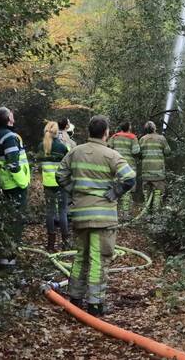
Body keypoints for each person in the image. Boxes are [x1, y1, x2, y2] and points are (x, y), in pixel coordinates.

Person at [56, 115, 135, 316]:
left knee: (81, 257)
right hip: (103, 218)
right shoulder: (111, 155)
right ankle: (95, 304)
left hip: (81, 215)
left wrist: (75, 191)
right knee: (98, 260)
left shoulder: (75, 152)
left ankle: (74, 299)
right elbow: (130, 177)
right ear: (106, 133)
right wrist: (115, 192)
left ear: (89, 131)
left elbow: (60, 176)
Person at [0, 107, 30, 267]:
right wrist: (22, 181)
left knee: (7, 219)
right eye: (12, 115)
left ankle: (4, 255)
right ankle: (9, 258)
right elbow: (13, 164)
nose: (14, 117)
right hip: (15, 185)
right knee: (16, 221)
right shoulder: (10, 137)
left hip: (4, 183)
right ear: (8, 119)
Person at [39, 120, 71, 252]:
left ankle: (50, 244)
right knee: (63, 211)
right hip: (61, 183)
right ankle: (65, 242)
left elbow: (39, 163)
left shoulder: (41, 146)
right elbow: (69, 165)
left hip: (48, 183)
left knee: (50, 212)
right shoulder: (62, 147)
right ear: (57, 132)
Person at [107, 121, 141, 217]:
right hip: (128, 166)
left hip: (116, 165)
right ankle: (125, 214)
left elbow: (108, 147)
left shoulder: (114, 137)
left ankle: (114, 212)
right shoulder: (133, 137)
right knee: (127, 189)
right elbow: (136, 151)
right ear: (129, 128)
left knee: (115, 188)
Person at [139, 121, 171, 211]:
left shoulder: (142, 139)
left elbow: (139, 153)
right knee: (158, 193)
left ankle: (147, 214)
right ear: (154, 128)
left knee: (147, 194)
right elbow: (168, 152)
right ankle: (156, 213)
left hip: (146, 173)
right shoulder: (161, 138)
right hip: (158, 174)